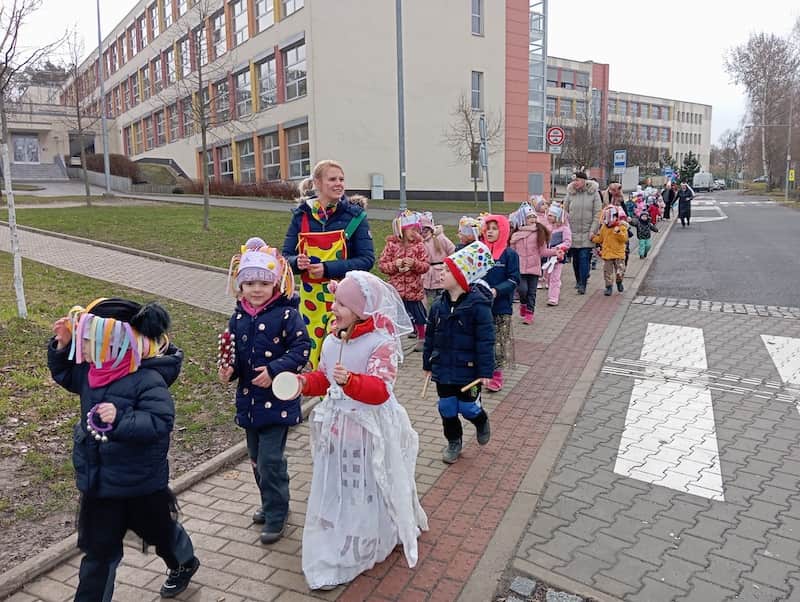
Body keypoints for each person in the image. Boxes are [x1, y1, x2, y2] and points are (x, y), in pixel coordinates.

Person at [48, 298, 199, 601]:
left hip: (139, 482)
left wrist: (120, 419)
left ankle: (184, 562)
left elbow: (159, 421)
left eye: (87, 341)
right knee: (99, 551)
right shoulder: (92, 371)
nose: (82, 347)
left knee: (158, 531)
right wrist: (61, 347)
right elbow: (65, 374)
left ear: (113, 345)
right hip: (99, 481)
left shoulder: (147, 379)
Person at [299, 271, 428, 591]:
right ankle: (341, 530)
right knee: (341, 482)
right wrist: (303, 383)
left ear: (361, 310)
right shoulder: (332, 340)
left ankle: (375, 531)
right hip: (338, 427)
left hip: (367, 429)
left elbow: (381, 389)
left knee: (370, 481)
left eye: (342, 304)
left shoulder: (380, 343)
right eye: (335, 301)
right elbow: (324, 377)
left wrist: (352, 382)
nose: (333, 307)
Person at [219, 240, 311, 544]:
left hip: (277, 402)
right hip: (249, 402)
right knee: (258, 460)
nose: (256, 289)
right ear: (240, 286)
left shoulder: (286, 315)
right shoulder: (238, 317)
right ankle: (271, 501)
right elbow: (236, 356)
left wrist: (274, 370)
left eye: (263, 283)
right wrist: (230, 370)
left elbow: (302, 348)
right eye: (249, 283)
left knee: (271, 461)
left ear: (276, 284)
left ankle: (277, 512)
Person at [282, 160, 375, 368]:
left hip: (346, 300)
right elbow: (285, 257)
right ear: (317, 183)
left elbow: (367, 260)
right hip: (310, 302)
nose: (339, 183)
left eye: (341, 179)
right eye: (332, 179)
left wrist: (327, 269)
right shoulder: (301, 216)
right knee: (313, 354)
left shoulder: (355, 216)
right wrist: (297, 262)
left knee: (341, 356)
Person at [423, 241, 495, 463]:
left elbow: (485, 341)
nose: (441, 273)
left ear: (461, 277)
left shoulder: (479, 306)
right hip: (443, 368)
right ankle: (454, 442)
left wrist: (486, 371)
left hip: (469, 371)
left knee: (468, 407)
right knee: (447, 408)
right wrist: (427, 364)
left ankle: (481, 420)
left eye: (447, 271)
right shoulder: (437, 306)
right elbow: (430, 337)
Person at [378, 210, 430, 352]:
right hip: (396, 289)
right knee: (394, 316)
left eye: (417, 230)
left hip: (414, 288)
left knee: (418, 314)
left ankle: (422, 338)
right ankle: (392, 340)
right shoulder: (391, 245)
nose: (415, 233)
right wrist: (395, 265)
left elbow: (426, 266)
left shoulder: (419, 246)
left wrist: (414, 264)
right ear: (402, 229)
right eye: (412, 229)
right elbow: (382, 265)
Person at [480, 214, 520, 392]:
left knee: (498, 341)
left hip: (501, 306)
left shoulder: (510, 254)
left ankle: (496, 375)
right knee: (482, 340)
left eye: (494, 229)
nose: (490, 232)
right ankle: (482, 372)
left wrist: (497, 290)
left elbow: (514, 279)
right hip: (480, 305)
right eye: (487, 228)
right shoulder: (479, 251)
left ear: (503, 231)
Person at [509, 204, 549, 324]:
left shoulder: (539, 233)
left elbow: (543, 251)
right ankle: (523, 304)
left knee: (532, 292)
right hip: (520, 269)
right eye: (529, 217)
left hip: (534, 268)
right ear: (522, 219)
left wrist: (556, 252)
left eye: (534, 216)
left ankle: (529, 314)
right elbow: (512, 253)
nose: (532, 219)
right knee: (522, 290)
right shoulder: (515, 235)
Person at [563, 171, 602, 295]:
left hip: (587, 232)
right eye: (574, 180)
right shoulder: (570, 193)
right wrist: (565, 229)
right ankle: (578, 280)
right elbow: (564, 212)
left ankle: (583, 285)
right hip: (573, 232)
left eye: (577, 180)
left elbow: (598, 214)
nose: (575, 183)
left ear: (584, 180)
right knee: (575, 260)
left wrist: (593, 231)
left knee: (584, 258)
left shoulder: (593, 193)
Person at [420, 211, 456, 308]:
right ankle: (425, 314)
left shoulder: (440, 239)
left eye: (426, 230)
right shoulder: (420, 242)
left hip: (440, 274)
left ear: (430, 229)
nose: (423, 233)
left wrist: (448, 267)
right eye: (421, 231)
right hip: (426, 275)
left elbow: (453, 252)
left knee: (442, 299)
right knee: (423, 298)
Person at [591, 206, 629, 296]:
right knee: (607, 272)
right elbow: (600, 239)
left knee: (620, 271)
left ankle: (619, 282)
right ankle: (609, 287)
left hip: (618, 255)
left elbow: (624, 239)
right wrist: (593, 238)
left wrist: (619, 232)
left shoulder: (621, 227)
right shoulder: (604, 227)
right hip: (607, 254)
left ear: (616, 217)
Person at [541, 204, 572, 306]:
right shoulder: (547, 228)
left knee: (555, 277)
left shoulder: (564, 229)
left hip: (558, 257)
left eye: (551, 215)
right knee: (548, 276)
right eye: (548, 215)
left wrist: (558, 247)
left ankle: (553, 298)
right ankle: (554, 289)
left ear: (557, 217)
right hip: (547, 256)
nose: (548, 217)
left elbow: (568, 242)